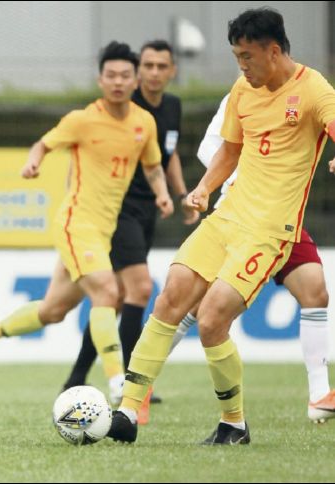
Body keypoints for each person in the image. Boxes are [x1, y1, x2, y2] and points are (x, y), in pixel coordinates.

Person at [107, 7, 335, 446]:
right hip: (228, 217)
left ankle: (234, 423)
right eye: (236, 57)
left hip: (270, 232)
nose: (241, 66)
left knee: (211, 321)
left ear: (273, 50)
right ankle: (127, 413)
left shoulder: (313, 90)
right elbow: (230, 150)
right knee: (171, 295)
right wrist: (204, 188)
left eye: (247, 57)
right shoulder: (242, 90)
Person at [0, 41, 174, 401]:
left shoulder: (144, 123)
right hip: (76, 224)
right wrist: (34, 162)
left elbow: (153, 166)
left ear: (135, 80)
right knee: (110, 292)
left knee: (53, 310)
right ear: (100, 79)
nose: (118, 82)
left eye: (125, 75)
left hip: (102, 233)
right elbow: (42, 144)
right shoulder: (82, 120)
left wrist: (163, 193)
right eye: (111, 75)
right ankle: (117, 381)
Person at [168, 94, 335, 424]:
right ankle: (139, 384)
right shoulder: (240, 95)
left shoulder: (306, 93)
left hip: (283, 218)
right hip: (241, 215)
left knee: (315, 292)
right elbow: (211, 149)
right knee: (200, 310)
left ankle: (319, 395)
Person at [62, 41, 199, 419]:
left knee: (117, 298)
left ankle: (76, 376)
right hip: (116, 210)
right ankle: (132, 384)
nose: (154, 72)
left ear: (172, 71)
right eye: (149, 65)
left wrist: (180, 194)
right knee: (139, 288)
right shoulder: (122, 105)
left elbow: (163, 158)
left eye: (161, 66)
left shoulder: (171, 108)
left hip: (146, 213)